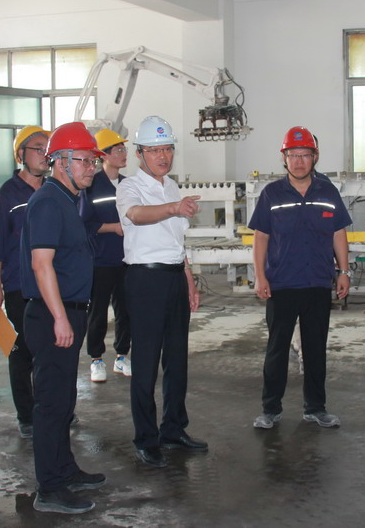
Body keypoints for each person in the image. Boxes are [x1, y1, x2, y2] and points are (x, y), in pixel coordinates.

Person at [21, 122, 106, 514]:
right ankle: (50, 489)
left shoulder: (67, 199)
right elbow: (42, 265)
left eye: (92, 161)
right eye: (84, 161)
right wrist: (59, 318)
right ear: (60, 162)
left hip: (69, 311)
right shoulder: (48, 202)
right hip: (52, 315)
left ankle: (65, 469)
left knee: (64, 400)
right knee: (52, 404)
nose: (91, 168)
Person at [115, 115, 206, 469]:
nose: (163, 156)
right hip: (145, 280)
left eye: (167, 149)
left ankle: (173, 428)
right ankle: (146, 437)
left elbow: (175, 240)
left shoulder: (171, 186)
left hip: (173, 277)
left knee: (177, 359)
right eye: (154, 150)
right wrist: (174, 207)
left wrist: (188, 278)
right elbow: (136, 215)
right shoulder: (129, 187)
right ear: (140, 154)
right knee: (146, 361)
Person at [248, 126, 351, 430]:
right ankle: (270, 410)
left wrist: (344, 271)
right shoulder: (271, 194)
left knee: (315, 348)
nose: (299, 161)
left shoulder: (328, 192)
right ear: (284, 158)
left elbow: (339, 233)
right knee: (277, 350)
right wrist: (260, 277)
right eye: (293, 155)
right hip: (281, 283)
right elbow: (261, 237)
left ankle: (316, 408)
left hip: (318, 282)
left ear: (314, 157)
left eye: (305, 155)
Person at [0, 126, 49, 439]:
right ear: (21, 154)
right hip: (18, 286)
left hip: (51, 286)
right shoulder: (7, 195)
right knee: (22, 350)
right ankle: (27, 414)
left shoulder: (54, 191)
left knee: (51, 350)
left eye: (47, 148)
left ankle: (50, 407)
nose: (44, 154)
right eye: (37, 148)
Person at [79, 128, 132, 383]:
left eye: (124, 149)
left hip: (126, 259)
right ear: (104, 156)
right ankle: (96, 359)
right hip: (100, 260)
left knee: (126, 310)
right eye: (118, 150)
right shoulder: (91, 186)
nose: (124, 154)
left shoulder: (128, 185)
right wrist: (113, 228)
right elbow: (84, 223)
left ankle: (122, 355)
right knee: (97, 312)